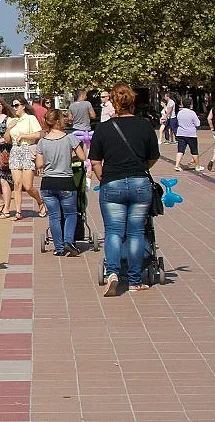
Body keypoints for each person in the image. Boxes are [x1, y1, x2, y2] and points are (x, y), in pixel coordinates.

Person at [89, 83, 159, 295]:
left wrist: (104, 179)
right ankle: (135, 280)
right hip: (139, 183)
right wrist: (139, 168)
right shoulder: (145, 126)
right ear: (133, 101)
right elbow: (153, 156)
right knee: (137, 232)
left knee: (113, 231)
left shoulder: (103, 128)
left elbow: (94, 161)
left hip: (112, 183)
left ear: (113, 103)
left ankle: (113, 273)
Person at [36, 109, 86, 256]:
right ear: (58, 121)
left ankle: (58, 248)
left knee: (54, 216)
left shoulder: (42, 141)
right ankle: (68, 241)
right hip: (66, 182)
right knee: (71, 214)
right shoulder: (70, 138)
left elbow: (39, 164)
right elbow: (82, 157)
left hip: (48, 183)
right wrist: (70, 158)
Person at [4, 96, 45, 221]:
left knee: (28, 186)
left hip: (28, 149)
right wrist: (9, 128)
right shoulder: (12, 120)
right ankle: (18, 211)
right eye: (13, 105)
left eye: (16, 105)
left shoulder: (30, 118)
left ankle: (40, 202)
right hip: (16, 150)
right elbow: (7, 139)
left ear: (23, 106)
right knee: (17, 184)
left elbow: (39, 134)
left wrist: (24, 135)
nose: (14, 108)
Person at [174, 98, 203, 171]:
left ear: (182, 104)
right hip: (191, 134)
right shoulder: (192, 113)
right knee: (194, 150)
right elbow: (198, 123)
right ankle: (197, 166)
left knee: (180, 150)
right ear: (190, 105)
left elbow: (177, 122)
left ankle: (177, 165)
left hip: (181, 133)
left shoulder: (179, 113)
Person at [208, 103, 215, 171]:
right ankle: (212, 160)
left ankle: (212, 160)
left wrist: (211, 127)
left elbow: (209, 118)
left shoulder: (213, 109)